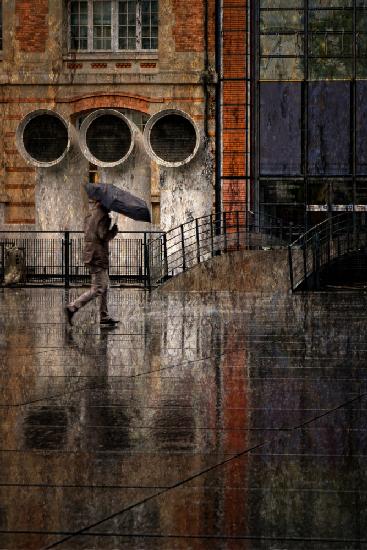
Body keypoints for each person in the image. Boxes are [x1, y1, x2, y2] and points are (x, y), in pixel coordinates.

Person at [65, 199, 119, 326]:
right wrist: (114, 230)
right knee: (98, 288)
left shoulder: (90, 214)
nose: (112, 207)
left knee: (104, 286)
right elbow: (103, 235)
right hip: (98, 256)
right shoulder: (103, 217)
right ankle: (73, 307)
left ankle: (104, 316)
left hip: (91, 254)